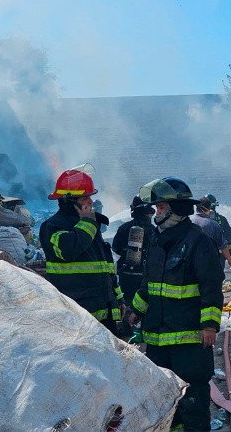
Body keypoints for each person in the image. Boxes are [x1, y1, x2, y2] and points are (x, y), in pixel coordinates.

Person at [129, 177, 224, 431]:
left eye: (161, 208)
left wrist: (210, 325)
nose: (156, 213)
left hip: (189, 341)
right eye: (156, 208)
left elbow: (211, 287)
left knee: (192, 403)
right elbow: (148, 284)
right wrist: (136, 310)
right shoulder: (157, 241)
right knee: (165, 402)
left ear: (177, 209)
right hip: (158, 340)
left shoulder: (198, 242)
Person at [38, 165, 124, 335]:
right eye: (85, 198)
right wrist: (87, 223)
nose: (91, 202)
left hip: (105, 312)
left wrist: (117, 299)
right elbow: (68, 249)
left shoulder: (90, 226)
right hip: (77, 316)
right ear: (69, 201)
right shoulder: (53, 226)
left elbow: (106, 267)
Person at [111, 196, 155, 339]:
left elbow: (116, 249)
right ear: (148, 212)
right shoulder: (154, 231)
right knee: (147, 304)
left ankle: (128, 333)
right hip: (145, 275)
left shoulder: (124, 228)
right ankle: (144, 333)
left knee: (128, 303)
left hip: (126, 274)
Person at [190, 197, 231, 269]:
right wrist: (229, 259)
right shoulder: (215, 224)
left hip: (192, 259)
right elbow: (225, 243)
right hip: (213, 259)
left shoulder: (188, 221)